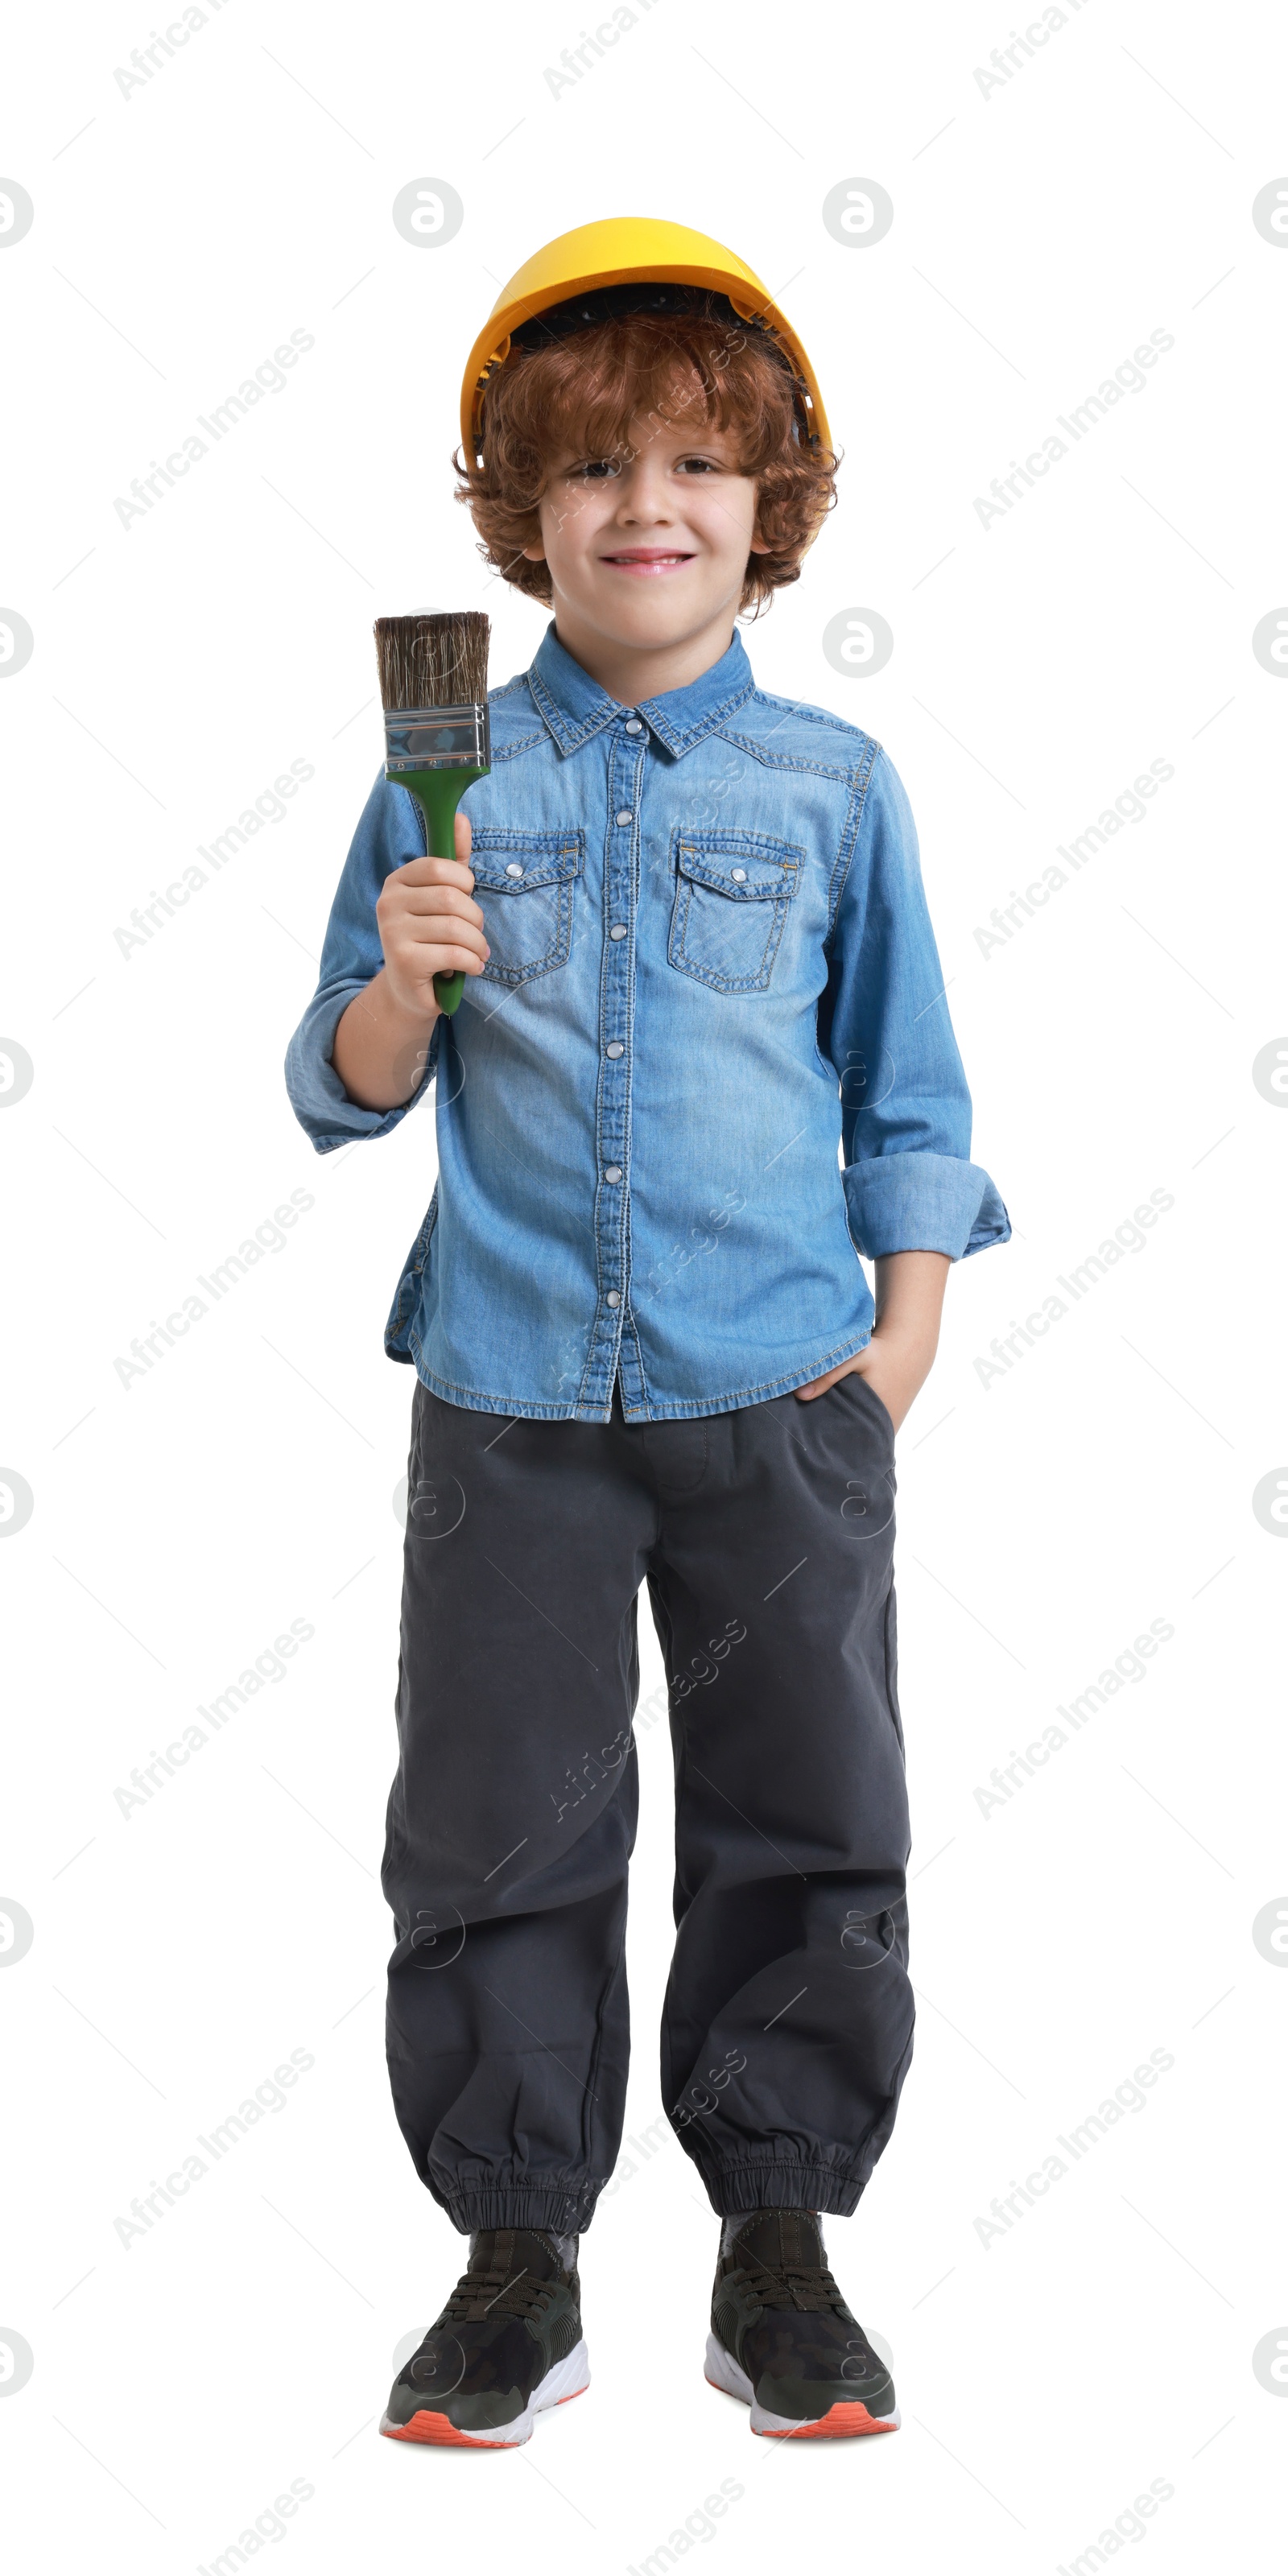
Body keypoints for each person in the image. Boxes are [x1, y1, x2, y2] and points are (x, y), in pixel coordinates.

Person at [284, 217, 1010, 2447]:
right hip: (511, 1399)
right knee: (495, 1825)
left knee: (807, 1804)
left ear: (768, 506)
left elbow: (907, 1092)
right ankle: (517, 2252)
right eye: (591, 469)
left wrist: (897, 1350)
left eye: (697, 461)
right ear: (520, 514)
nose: (645, 507)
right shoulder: (444, 780)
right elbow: (340, 1088)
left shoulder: (832, 791)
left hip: (783, 1392)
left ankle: (779, 2239)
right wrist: (405, 973)